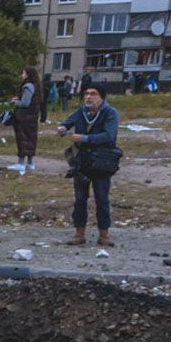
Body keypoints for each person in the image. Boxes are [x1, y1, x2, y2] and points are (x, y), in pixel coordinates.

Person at [58, 84, 120, 247]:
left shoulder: (110, 113)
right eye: (86, 94)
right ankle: (79, 233)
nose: (88, 97)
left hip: (102, 162)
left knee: (101, 198)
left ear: (101, 97)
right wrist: (63, 127)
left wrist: (85, 138)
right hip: (82, 162)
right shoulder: (81, 112)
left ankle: (104, 234)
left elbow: (109, 135)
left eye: (93, 94)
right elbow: (68, 122)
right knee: (80, 199)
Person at [7, 66, 42, 171]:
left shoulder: (27, 86)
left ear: (28, 75)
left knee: (22, 138)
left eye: (23, 73)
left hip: (24, 118)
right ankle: (30, 163)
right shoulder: (36, 86)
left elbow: (25, 103)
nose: (21, 76)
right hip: (33, 117)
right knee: (31, 138)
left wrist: (15, 102)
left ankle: (21, 163)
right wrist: (20, 98)